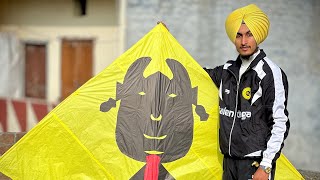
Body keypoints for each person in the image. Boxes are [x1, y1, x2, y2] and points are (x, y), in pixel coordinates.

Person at [204, 4, 290, 180]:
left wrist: (265, 166)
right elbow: (192, 74)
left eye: (249, 34)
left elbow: (280, 123)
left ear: (257, 36)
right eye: (239, 35)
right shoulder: (226, 71)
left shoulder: (270, 74)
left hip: (254, 164)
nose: (244, 42)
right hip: (229, 162)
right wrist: (167, 42)